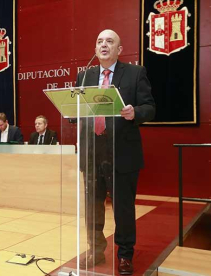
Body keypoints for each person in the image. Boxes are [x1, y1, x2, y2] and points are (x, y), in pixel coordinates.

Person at [76, 29, 155, 274]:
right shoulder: (84, 76)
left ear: (119, 49)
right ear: (95, 49)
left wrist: (135, 113)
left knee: (122, 208)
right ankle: (96, 250)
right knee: (93, 207)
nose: (104, 45)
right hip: (92, 152)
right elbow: (75, 109)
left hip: (122, 152)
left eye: (110, 41)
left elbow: (150, 107)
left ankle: (124, 255)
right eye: (99, 41)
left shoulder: (135, 73)